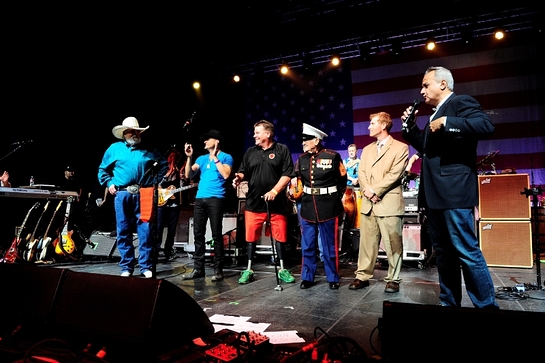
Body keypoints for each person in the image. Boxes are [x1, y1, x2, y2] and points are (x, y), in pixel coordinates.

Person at [401, 66, 498, 309]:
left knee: (466, 251)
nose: (421, 90)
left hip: (454, 193)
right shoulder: (434, 114)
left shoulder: (459, 103)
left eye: (426, 85)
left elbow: (485, 125)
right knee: (444, 255)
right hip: (434, 195)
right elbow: (425, 147)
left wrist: (448, 122)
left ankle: (487, 307)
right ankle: (449, 303)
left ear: (442, 84)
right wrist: (410, 127)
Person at [98, 116, 168, 278]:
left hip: (144, 193)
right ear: (124, 133)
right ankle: (127, 267)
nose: (135, 134)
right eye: (131, 132)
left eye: (137, 131)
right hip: (122, 193)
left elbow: (163, 165)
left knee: (146, 231)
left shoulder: (149, 150)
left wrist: (154, 181)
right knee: (123, 230)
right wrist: (109, 184)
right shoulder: (114, 149)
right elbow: (102, 170)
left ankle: (145, 266)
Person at [349, 112, 408, 293]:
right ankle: (362, 276)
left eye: (372, 123)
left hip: (388, 203)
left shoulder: (400, 148)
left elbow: (395, 174)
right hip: (369, 203)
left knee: (393, 243)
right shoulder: (367, 150)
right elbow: (362, 173)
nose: (368, 126)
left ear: (383, 125)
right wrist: (368, 191)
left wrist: (375, 190)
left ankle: (393, 278)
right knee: (367, 243)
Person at [232, 120, 295, 285]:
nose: (254, 135)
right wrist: (238, 178)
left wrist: (274, 191)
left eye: (257, 132)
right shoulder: (251, 152)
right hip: (254, 203)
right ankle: (249, 269)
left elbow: (288, 174)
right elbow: (242, 171)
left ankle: (282, 269)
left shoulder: (282, 150)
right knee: (250, 237)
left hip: (277, 204)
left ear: (267, 134)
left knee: (280, 237)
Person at [295, 123, 347, 290]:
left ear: (316, 140)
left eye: (307, 140)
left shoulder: (332, 156)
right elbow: (299, 182)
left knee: (328, 246)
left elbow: (342, 181)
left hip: (328, 206)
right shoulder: (302, 159)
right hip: (308, 206)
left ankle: (332, 277)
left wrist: (332, 197)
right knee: (308, 244)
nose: (303, 143)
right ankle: (307, 277)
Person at [181, 129, 233, 281]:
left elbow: (225, 175)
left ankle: (218, 270)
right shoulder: (202, 158)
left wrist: (215, 158)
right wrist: (189, 158)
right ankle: (198, 269)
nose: (204, 141)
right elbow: (189, 175)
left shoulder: (225, 157)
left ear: (216, 141)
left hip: (216, 199)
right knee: (198, 234)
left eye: (207, 139)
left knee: (216, 234)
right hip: (200, 199)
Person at [155, 148, 186, 262]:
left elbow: (181, 187)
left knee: (172, 230)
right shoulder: (162, 169)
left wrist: (182, 177)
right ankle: (156, 251)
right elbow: (157, 185)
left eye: (175, 158)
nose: (173, 160)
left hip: (174, 203)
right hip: (161, 202)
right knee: (158, 228)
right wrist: (167, 174)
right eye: (171, 157)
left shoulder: (178, 172)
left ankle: (168, 252)